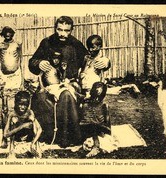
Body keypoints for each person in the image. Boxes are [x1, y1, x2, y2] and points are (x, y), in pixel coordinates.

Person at [29, 16, 110, 148]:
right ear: (55, 28)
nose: (62, 33)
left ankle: (70, 136)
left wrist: (106, 62)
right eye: (59, 30)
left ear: (71, 30)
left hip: (72, 84)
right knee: (47, 96)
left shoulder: (75, 44)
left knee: (67, 94)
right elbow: (32, 62)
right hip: (50, 86)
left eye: (66, 30)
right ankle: (55, 136)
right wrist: (39, 63)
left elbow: (90, 60)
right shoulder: (47, 43)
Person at [79, 35, 111, 157]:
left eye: (93, 47)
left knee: (93, 116)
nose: (91, 50)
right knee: (85, 115)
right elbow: (83, 69)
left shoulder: (101, 60)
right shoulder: (87, 57)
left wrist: (107, 62)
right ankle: (89, 140)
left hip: (95, 92)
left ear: (99, 46)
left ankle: (96, 145)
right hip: (85, 89)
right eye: (89, 47)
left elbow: (106, 64)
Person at [0, 26, 23, 148]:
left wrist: (22, 82)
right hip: (4, 78)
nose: (8, 35)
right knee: (5, 110)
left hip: (16, 77)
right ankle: (4, 136)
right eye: (5, 34)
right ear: (3, 35)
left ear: (12, 34)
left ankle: (15, 135)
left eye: (10, 33)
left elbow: (20, 62)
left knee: (16, 108)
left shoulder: (17, 44)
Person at [3, 91, 42, 158]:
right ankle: (11, 149)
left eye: (25, 105)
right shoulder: (12, 114)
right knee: (14, 120)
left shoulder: (29, 112)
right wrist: (22, 126)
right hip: (17, 139)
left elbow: (39, 129)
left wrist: (33, 142)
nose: (23, 107)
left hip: (29, 139)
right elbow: (5, 134)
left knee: (32, 121)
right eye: (20, 104)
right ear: (16, 103)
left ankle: (36, 146)